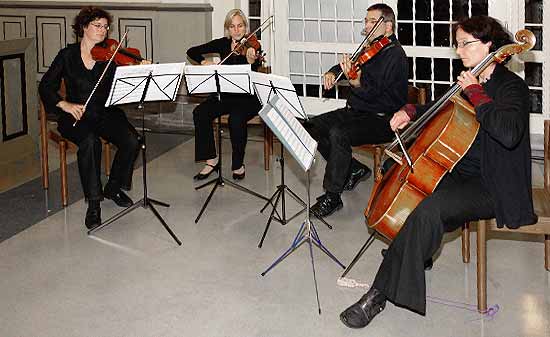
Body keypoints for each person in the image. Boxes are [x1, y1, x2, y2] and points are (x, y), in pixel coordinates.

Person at [340, 15, 538, 329]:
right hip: (457, 168)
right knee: (408, 179)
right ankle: (416, 251)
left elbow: (509, 133)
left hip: (492, 182)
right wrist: (408, 111)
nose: (459, 51)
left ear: (489, 44)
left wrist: (476, 93)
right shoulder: (469, 77)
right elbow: (438, 106)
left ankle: (378, 294)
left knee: (430, 208)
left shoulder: (511, 87)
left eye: (465, 44)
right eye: (457, 44)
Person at [39, 6, 141, 229]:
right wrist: (64, 104)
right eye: (97, 26)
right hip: (75, 114)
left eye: (105, 27)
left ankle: (113, 187)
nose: (103, 31)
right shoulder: (67, 55)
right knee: (90, 142)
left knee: (133, 140)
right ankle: (94, 203)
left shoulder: (110, 56)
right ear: (84, 27)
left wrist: (139, 67)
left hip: (104, 112)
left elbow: (124, 82)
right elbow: (46, 86)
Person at [305, 3, 408, 217]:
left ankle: (332, 196)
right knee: (313, 126)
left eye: (373, 21)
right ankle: (353, 168)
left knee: (338, 133)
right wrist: (334, 73)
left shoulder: (395, 55)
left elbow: (382, 98)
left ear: (388, 27)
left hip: (382, 119)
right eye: (366, 20)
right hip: (357, 112)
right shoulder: (370, 48)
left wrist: (358, 84)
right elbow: (352, 64)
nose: (367, 25)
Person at [187, 9, 263, 181]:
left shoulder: (252, 46)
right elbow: (192, 51)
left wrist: (252, 59)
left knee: (235, 119)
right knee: (200, 112)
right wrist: (203, 62)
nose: (236, 30)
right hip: (225, 95)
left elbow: (255, 61)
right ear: (228, 29)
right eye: (232, 26)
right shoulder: (222, 44)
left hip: (248, 98)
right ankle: (211, 159)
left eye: (240, 26)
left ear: (245, 27)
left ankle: (237, 164)